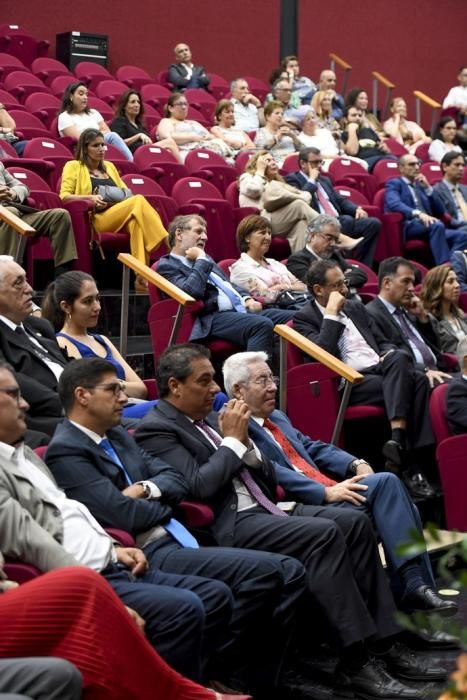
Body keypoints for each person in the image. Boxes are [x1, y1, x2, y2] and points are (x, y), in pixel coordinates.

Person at [134, 342, 445, 700]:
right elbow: (199, 487)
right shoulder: (158, 429)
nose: (215, 389)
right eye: (205, 381)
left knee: (355, 524)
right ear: (175, 386)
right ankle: (355, 661)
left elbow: (267, 476)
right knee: (325, 533)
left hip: (266, 506)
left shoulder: (207, 419)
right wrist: (234, 443)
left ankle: (386, 643)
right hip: (232, 522)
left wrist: (246, 447)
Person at [46, 357, 307, 697]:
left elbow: (175, 481)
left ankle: (232, 674)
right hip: (147, 550)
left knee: (284, 572)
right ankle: (221, 676)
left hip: (176, 534)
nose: (124, 399)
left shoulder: (119, 434)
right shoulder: (65, 452)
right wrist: (157, 497)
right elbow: (124, 516)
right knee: (268, 574)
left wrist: (146, 489)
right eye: (113, 390)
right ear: (82, 395)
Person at [223, 349, 453, 617]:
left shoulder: (277, 417)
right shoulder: (232, 425)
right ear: (239, 390)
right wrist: (325, 491)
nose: (274, 386)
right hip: (301, 505)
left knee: (397, 499)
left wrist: (355, 463)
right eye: (263, 380)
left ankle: (413, 596)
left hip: (332, 490)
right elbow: (269, 469)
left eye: (272, 378)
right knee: (393, 495)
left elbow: (312, 446)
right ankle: (415, 591)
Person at [293, 259, 438, 499]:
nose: (344, 290)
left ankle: (397, 445)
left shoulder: (355, 307)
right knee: (416, 383)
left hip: (380, 369)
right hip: (351, 381)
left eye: (345, 283)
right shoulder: (304, 318)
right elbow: (320, 359)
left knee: (403, 361)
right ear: (319, 290)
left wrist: (386, 353)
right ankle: (412, 464)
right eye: (337, 285)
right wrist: (330, 315)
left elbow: (382, 341)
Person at [0, 566, 249, 700]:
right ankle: (182, 693)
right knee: (84, 583)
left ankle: (186, 690)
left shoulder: (34, 469)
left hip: (121, 553)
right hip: (101, 558)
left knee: (217, 593)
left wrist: (147, 491)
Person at [156, 215, 295, 359]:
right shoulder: (168, 266)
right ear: (179, 234)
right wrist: (201, 259)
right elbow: (191, 292)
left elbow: (227, 284)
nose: (205, 237)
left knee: (297, 318)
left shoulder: (206, 259)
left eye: (205, 232)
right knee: (261, 325)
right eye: (198, 232)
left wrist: (247, 298)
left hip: (241, 310)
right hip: (212, 317)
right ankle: (255, 378)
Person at [59, 128, 168, 288]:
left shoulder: (109, 167)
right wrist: (90, 198)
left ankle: (141, 277)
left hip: (114, 212)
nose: (102, 149)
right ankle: (166, 242)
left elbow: (125, 194)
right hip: (95, 218)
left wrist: (111, 202)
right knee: (138, 200)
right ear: (85, 148)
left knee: (135, 223)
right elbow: (64, 196)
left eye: (103, 145)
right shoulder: (74, 166)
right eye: (96, 145)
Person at [41, 271, 157, 419]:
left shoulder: (102, 340)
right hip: (110, 415)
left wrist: (114, 385)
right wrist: (121, 385)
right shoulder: (61, 342)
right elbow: (93, 393)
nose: (97, 307)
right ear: (66, 307)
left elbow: (141, 389)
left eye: (97, 299)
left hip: (134, 406)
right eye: (88, 301)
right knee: (172, 409)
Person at [0, 257, 69, 435]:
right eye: (18, 283)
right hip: (48, 419)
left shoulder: (41, 326)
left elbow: (65, 368)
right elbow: (12, 381)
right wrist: (73, 406)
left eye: (27, 280)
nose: (30, 290)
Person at [284, 148, 381, 266]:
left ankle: (362, 265)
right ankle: (343, 264)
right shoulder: (292, 179)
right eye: (315, 162)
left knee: (373, 223)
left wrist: (356, 208)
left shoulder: (325, 180)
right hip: (316, 223)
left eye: (321, 162)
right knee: (346, 220)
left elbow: (340, 200)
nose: (319, 166)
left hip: (339, 220)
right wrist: (312, 180)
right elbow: (302, 200)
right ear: (303, 163)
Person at [384, 154, 467, 264]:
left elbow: (440, 211)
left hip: (429, 225)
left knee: (463, 236)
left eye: (418, 163)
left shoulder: (421, 186)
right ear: (401, 168)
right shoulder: (395, 183)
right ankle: (444, 265)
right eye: (412, 164)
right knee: (436, 225)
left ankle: (452, 265)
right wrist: (418, 213)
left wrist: (428, 188)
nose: (417, 167)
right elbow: (394, 203)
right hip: (409, 224)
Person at [0, 164, 77, 277]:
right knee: (11, 212)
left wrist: (13, 193)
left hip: (14, 214)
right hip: (7, 214)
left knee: (60, 215)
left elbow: (23, 187)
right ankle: (8, 275)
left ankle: (63, 276)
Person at [238, 151, 318, 253]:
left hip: (279, 221)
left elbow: (303, 195)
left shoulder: (278, 182)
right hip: (261, 223)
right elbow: (254, 190)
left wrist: (302, 196)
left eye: (273, 160)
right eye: (267, 160)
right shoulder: (248, 177)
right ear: (257, 164)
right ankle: (328, 228)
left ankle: (303, 260)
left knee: (301, 224)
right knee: (299, 205)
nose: (273, 163)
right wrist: (260, 171)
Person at [229, 215, 307, 301]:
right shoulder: (240, 269)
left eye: (269, 233)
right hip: (276, 310)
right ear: (247, 238)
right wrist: (291, 287)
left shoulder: (274, 263)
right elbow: (266, 296)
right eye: (262, 233)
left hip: (299, 302)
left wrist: (281, 287)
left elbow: (303, 287)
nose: (268, 237)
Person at [286, 215, 369, 292]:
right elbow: (312, 285)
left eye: (336, 240)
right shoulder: (297, 259)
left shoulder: (334, 255)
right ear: (312, 236)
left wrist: (342, 281)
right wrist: (341, 279)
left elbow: (360, 275)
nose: (333, 243)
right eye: (329, 238)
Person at [57, 82, 134, 161]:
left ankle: (130, 163)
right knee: (112, 136)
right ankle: (131, 163)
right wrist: (98, 133)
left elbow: (107, 131)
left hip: (100, 144)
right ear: (71, 97)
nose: (85, 97)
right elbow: (80, 138)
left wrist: (93, 134)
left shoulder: (93, 112)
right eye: (81, 94)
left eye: (86, 94)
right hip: (82, 149)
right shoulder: (64, 116)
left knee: (111, 136)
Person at [157, 94, 232, 162]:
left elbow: (210, 136)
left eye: (185, 104)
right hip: (187, 153)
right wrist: (192, 137)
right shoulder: (167, 121)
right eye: (180, 104)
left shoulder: (193, 122)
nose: (184, 107)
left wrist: (207, 137)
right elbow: (167, 138)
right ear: (170, 108)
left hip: (210, 151)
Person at [110, 89, 181, 159]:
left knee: (168, 150)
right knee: (169, 142)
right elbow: (117, 143)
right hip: (134, 154)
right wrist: (138, 136)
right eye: (132, 102)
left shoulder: (140, 125)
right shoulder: (119, 121)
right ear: (124, 106)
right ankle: (184, 168)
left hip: (148, 152)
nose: (137, 105)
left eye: (138, 102)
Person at [420, 265, 467, 360]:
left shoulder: (460, 314)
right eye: (450, 281)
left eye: (457, 280)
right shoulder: (429, 319)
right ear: (436, 286)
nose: (457, 285)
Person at [341, 105, 395, 172]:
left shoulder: (368, 130)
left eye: (360, 115)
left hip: (382, 157)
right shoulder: (343, 135)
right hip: (364, 162)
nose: (357, 118)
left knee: (398, 162)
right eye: (354, 115)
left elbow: (384, 148)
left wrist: (386, 149)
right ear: (345, 119)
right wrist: (352, 130)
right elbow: (352, 152)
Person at [253, 100, 300, 167]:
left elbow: (304, 150)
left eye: (282, 114)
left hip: (295, 163)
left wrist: (293, 137)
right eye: (277, 113)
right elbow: (260, 151)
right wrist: (276, 138)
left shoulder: (287, 131)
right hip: (276, 164)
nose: (280, 116)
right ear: (267, 116)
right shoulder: (261, 132)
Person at [433, 151, 467, 230]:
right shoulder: (436, 191)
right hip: (454, 229)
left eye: (463, 165)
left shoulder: (465, 189)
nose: (461, 168)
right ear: (445, 167)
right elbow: (445, 218)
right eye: (457, 165)